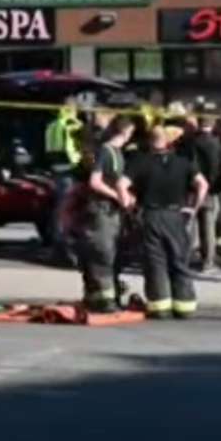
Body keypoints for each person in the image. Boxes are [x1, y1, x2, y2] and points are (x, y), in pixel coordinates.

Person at [127, 124, 207, 319]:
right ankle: (185, 306)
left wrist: (130, 208)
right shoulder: (183, 162)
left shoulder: (140, 162)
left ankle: (160, 307)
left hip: (151, 215)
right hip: (176, 215)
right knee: (179, 260)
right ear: (168, 142)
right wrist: (193, 208)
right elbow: (202, 184)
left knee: (156, 262)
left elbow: (122, 185)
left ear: (149, 141)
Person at [79, 115, 135, 313]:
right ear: (127, 132)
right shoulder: (105, 151)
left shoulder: (116, 152)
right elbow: (94, 181)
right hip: (102, 209)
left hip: (112, 210)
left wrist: (126, 197)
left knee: (112, 253)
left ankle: (102, 295)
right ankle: (103, 299)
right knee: (102, 252)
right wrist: (117, 196)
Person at [182, 101, 221, 271]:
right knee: (208, 227)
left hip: (190, 189)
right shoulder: (218, 145)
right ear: (213, 123)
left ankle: (184, 258)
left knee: (189, 225)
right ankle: (207, 261)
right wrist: (219, 187)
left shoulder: (188, 143)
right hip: (211, 190)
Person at [44, 103, 85, 263]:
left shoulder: (53, 125)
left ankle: (57, 247)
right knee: (69, 211)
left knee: (60, 208)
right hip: (71, 170)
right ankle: (65, 250)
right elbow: (83, 147)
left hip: (57, 170)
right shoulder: (73, 124)